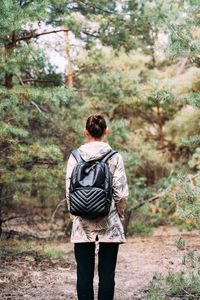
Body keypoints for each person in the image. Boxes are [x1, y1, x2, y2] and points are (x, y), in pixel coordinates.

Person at [65, 113, 129, 300]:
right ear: (106, 131)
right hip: (109, 223)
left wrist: (74, 215)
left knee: (83, 275)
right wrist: (119, 214)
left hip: (81, 224)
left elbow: (69, 191)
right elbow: (121, 193)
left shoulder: (75, 156)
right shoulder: (115, 157)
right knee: (107, 275)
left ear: (86, 132)